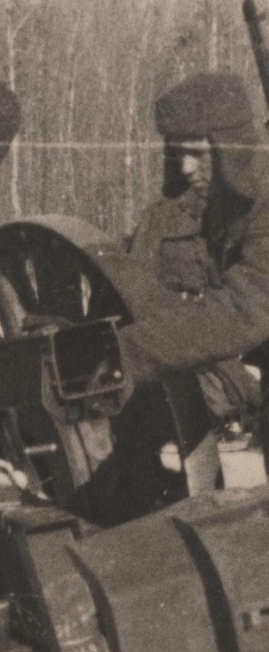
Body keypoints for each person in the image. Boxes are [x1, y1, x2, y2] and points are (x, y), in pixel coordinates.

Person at [118, 73, 269, 437]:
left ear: (230, 148)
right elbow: (137, 285)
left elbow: (246, 308)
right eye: (177, 152)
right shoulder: (180, 212)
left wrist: (125, 351)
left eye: (198, 153)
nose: (186, 169)